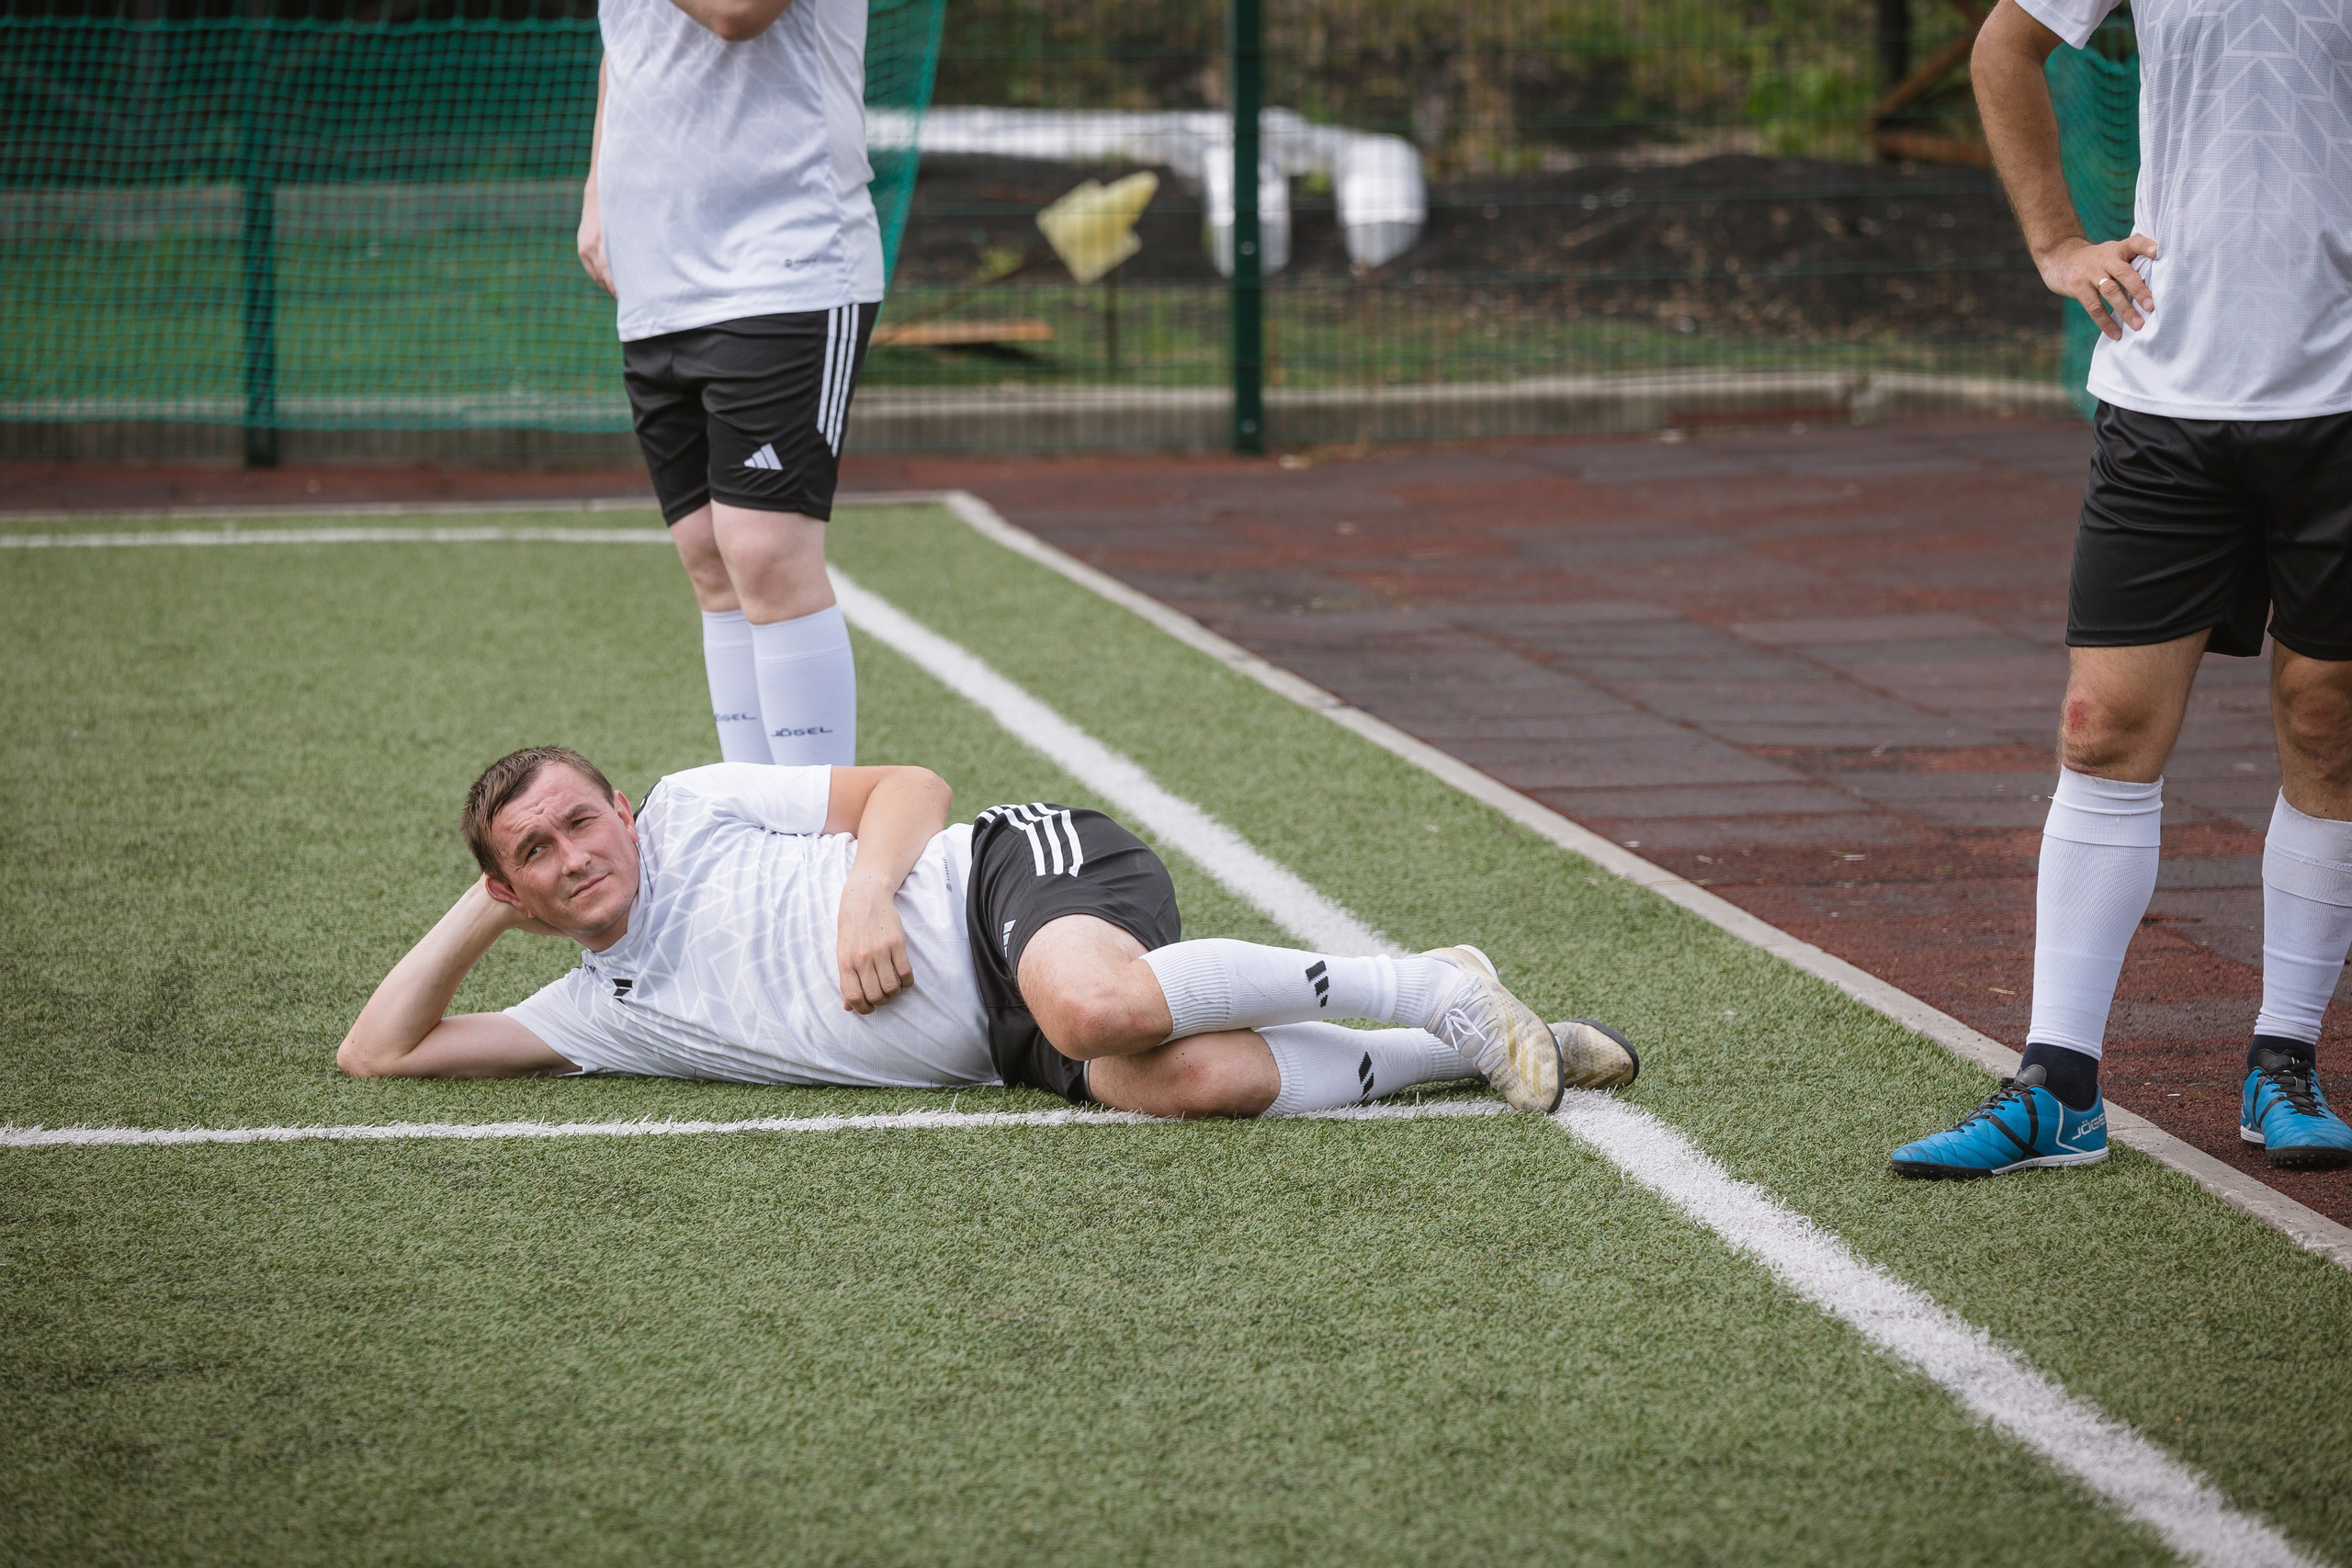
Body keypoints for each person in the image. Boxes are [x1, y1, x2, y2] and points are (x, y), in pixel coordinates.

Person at [1891, 0, 2352, 1178]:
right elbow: (2005, 48)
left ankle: (2284, 1062)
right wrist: (2056, 243)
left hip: (2339, 403)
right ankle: (2059, 1087)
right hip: (2165, 396)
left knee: (2329, 724)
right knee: (2099, 731)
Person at [336, 747, 1639, 1119]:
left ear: (622, 807)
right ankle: (1465, 1038)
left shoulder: (693, 805)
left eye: (580, 819)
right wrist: (484, 897)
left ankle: (1419, 981)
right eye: (535, 853)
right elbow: (378, 1054)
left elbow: (908, 789)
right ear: (514, 890)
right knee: (1192, 1079)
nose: (575, 853)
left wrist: (861, 895)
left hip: (1005, 876)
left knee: (1092, 1002)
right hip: (1003, 1047)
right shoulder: (590, 1013)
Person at [576, 0, 880, 769]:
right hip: (659, 261)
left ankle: (816, 849)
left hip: (784, 257)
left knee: (764, 553)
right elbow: (630, 37)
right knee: (709, 558)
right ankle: (757, 826)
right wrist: (598, 188)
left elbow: (737, 11)